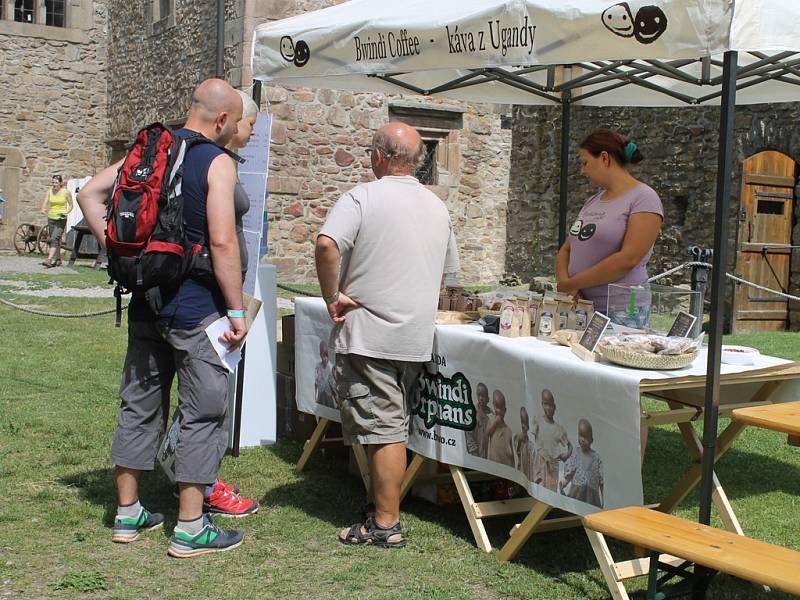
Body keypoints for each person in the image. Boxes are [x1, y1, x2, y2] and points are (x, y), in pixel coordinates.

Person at [78, 78, 258, 558]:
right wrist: (237, 310)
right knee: (204, 411)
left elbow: (89, 195)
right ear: (222, 120)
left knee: (139, 405)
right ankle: (191, 526)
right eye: (238, 121)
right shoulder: (215, 161)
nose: (239, 129)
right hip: (198, 310)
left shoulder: (152, 151)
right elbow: (221, 241)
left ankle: (127, 514)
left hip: (145, 303)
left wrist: (121, 252)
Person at [316, 121, 459, 549]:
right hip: (413, 334)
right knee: (390, 425)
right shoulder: (437, 206)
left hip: (372, 332)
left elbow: (326, 246)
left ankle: (385, 523)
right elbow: (449, 274)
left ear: (378, 155)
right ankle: (383, 508)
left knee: (384, 429)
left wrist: (332, 295)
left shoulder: (361, 196)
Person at [555, 128, 663, 327]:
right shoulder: (593, 201)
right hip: (580, 305)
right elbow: (568, 248)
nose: (582, 171)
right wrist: (567, 287)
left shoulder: (644, 198)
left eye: (585, 162)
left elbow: (628, 258)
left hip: (621, 311)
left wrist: (573, 284)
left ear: (604, 158)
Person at [225, 90, 259, 282]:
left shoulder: (227, 160)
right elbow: (220, 240)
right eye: (251, 124)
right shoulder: (218, 163)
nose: (253, 131)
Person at [532, 389, 572, 491]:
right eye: (546, 404)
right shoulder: (537, 420)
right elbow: (534, 440)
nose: (548, 408)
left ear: (555, 407)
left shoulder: (559, 429)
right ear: (542, 404)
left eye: (551, 405)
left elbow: (570, 445)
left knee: (550, 492)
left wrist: (566, 454)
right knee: (538, 490)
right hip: (540, 463)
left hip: (552, 466)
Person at [560, 418, 604, 508]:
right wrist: (563, 484)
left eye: (586, 436)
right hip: (577, 494)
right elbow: (570, 474)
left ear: (592, 440)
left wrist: (603, 498)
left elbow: (601, 481)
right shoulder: (575, 454)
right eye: (580, 435)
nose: (582, 439)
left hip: (592, 498)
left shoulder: (596, 458)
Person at [40, 174, 73, 268]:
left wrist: (66, 212)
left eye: (56, 183)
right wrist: (43, 209)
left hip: (61, 218)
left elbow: (71, 205)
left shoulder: (66, 192)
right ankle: (58, 259)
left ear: (61, 183)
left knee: (54, 238)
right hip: (51, 217)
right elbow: (45, 202)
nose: (54, 184)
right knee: (54, 239)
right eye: (53, 182)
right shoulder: (49, 191)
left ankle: (49, 260)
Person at [486, 389, 515, 468]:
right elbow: (488, 432)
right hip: (494, 464)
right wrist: (495, 423)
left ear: (505, 410)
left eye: (501, 408)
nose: (498, 411)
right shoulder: (491, 419)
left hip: (506, 465)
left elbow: (511, 454)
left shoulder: (508, 430)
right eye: (496, 407)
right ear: (493, 405)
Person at [466, 382, 491, 459]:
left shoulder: (492, 415)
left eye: (483, 395)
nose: (481, 398)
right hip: (477, 456)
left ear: (488, 398)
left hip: (489, 458)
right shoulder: (472, 413)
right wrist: (475, 454)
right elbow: (469, 437)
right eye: (479, 395)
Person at [513, 406, 537, 481]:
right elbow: (516, 441)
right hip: (522, 468)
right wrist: (522, 433)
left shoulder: (530, 445)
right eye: (523, 422)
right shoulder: (518, 438)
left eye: (526, 422)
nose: (524, 425)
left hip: (530, 472)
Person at [314, 339, 336, 408]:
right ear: (320, 355)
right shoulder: (318, 366)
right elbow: (315, 382)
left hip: (328, 395)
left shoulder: (331, 367)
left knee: (329, 410)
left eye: (327, 356)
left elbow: (333, 385)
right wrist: (315, 395)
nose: (325, 358)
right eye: (324, 356)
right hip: (320, 395)